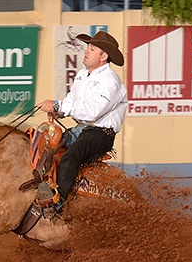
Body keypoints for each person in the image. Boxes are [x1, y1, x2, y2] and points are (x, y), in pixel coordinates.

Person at [37, 30, 128, 216]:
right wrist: (57, 110)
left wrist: (57, 104)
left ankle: (58, 203)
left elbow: (93, 111)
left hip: (100, 133)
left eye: (92, 48)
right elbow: (71, 102)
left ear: (104, 57)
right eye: (88, 47)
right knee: (44, 145)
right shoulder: (81, 76)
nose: (86, 51)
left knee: (71, 156)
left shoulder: (110, 81)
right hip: (82, 129)